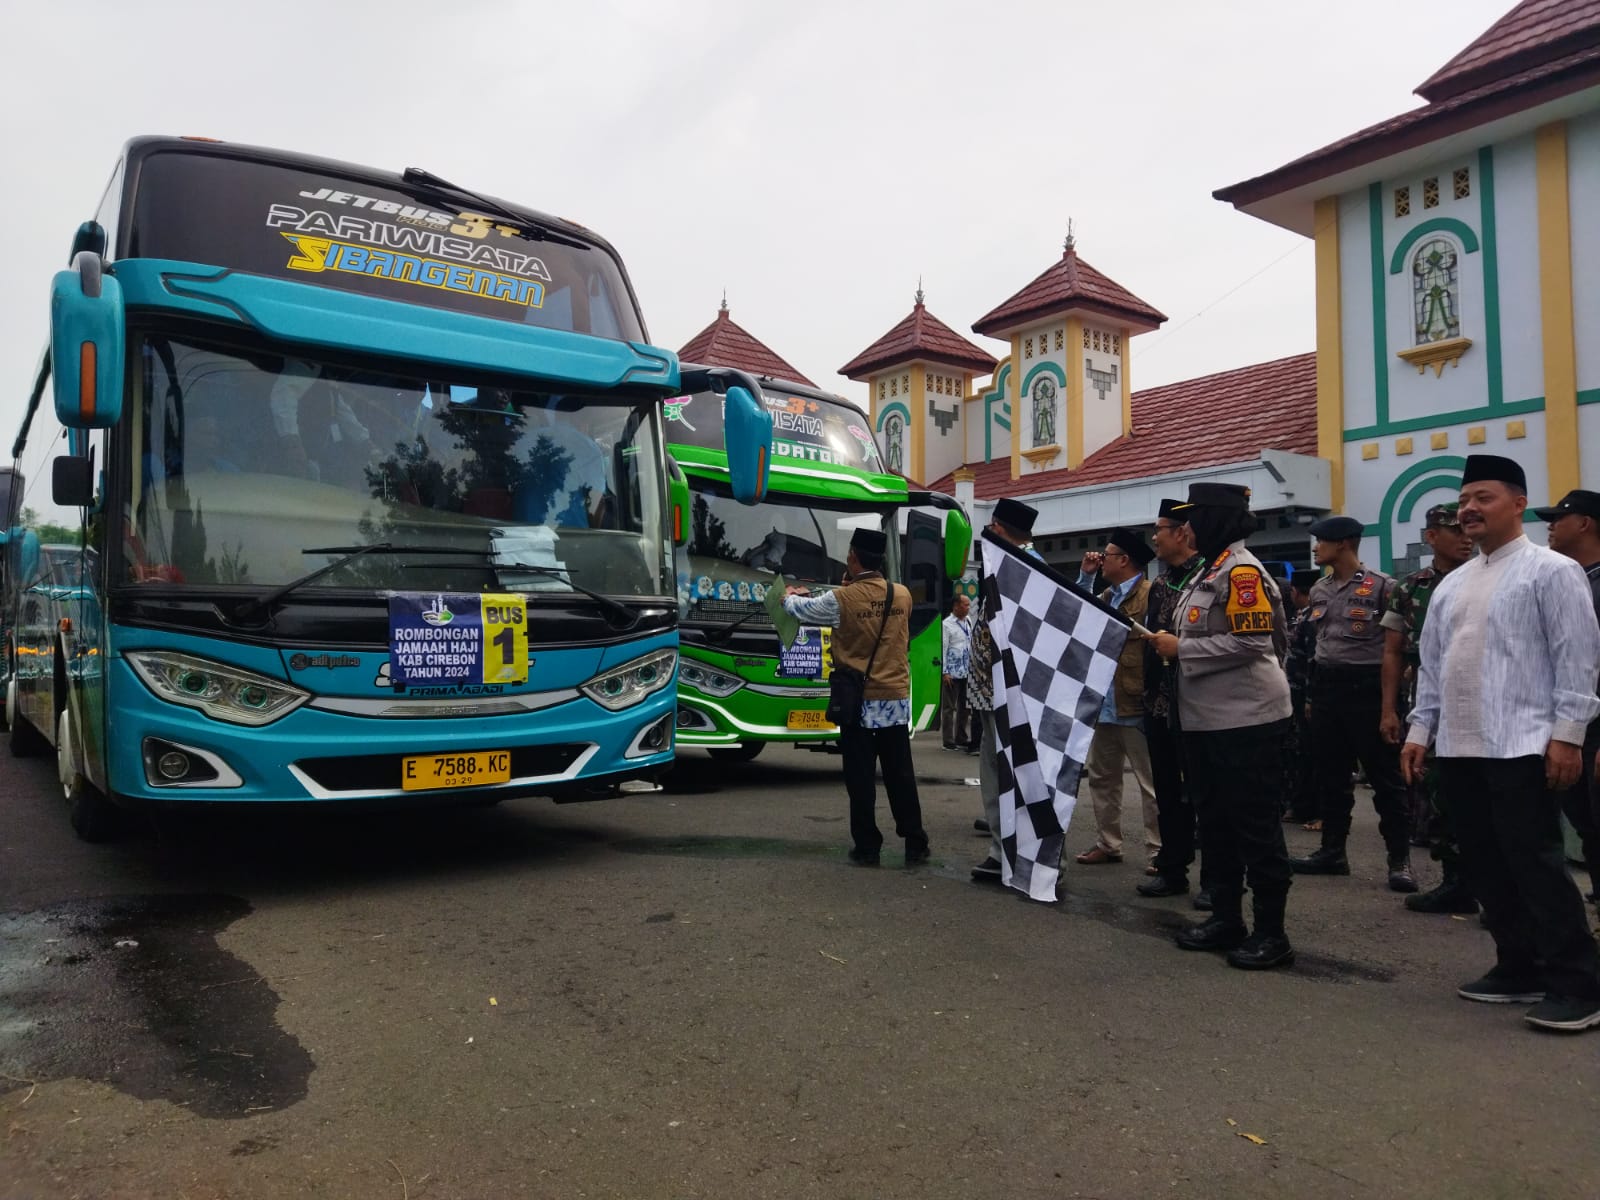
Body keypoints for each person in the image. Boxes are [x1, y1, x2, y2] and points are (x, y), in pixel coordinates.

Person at [1402, 454, 1600, 1033]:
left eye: (1483, 498)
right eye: (1464, 500)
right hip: (1461, 746)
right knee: (1486, 863)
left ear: (1517, 504)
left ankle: (1579, 984)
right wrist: (1421, 731)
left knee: (1535, 862)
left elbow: (1577, 659)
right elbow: (1433, 667)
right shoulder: (1453, 583)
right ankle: (1518, 966)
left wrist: (1569, 737)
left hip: (1525, 742)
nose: (1469, 509)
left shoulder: (1550, 571)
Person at [1149, 482, 1295, 970]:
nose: (1186, 528)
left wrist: (1181, 649)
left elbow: (1252, 645)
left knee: (1255, 827)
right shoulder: (1209, 571)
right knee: (1215, 825)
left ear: (1218, 521)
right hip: (1206, 722)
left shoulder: (1242, 573)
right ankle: (1227, 919)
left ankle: (1271, 934)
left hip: (1246, 721)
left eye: (1195, 518)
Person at [782, 528, 928, 867]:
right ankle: (915, 840)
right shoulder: (903, 594)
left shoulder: (840, 599)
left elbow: (801, 610)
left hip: (858, 702)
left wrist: (786, 597)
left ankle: (867, 846)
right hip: (894, 699)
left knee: (860, 777)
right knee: (900, 774)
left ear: (852, 558)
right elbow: (878, 607)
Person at [1289, 516, 1416, 892]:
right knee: (1331, 775)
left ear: (1344, 543)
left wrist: (1389, 707)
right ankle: (1332, 852)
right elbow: (1316, 645)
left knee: (1384, 779)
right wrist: (1312, 696)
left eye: (1321, 541)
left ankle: (1399, 860)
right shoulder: (1320, 590)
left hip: (1368, 689)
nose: (1315, 547)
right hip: (1327, 688)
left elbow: (1398, 648)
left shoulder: (1382, 587)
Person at [1379, 503, 1478, 914]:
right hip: (1429, 699)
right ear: (1432, 536)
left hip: (1480, 697)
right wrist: (1389, 709)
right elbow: (1392, 652)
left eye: (1466, 529)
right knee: (1440, 793)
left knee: (1490, 797)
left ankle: (1498, 892)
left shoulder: (1486, 577)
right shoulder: (1411, 587)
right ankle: (1456, 881)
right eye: (1454, 530)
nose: (1465, 537)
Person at [1075, 529, 1161, 869]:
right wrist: (1086, 576)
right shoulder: (1108, 594)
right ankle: (1108, 844)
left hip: (1136, 703)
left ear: (1124, 560)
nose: (1101, 558)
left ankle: (1158, 850)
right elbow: (1081, 614)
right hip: (1105, 703)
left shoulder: (1151, 594)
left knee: (1151, 783)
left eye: (1107, 555)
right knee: (1102, 778)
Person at [1534, 488, 1600, 910]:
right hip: (1567, 723)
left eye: (1561, 516)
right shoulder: (1565, 578)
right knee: (1584, 823)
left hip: (1596, 726)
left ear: (1586, 523)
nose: (1551, 525)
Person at [1137, 501, 1207, 901]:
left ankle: (1218, 882)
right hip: (1160, 705)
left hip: (1200, 705)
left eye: (1160, 529)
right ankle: (1173, 868)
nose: (1155, 537)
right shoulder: (1161, 585)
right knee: (1166, 790)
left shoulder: (1209, 579)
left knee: (1206, 796)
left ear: (1181, 532)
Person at [968, 497, 1038, 883]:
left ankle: (1034, 855)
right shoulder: (1001, 567)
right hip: (989, 693)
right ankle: (1001, 850)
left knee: (1023, 776)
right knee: (995, 773)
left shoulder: (1029, 571)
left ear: (997, 528)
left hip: (1015, 696)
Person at [1283, 569, 1321, 826]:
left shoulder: (1312, 620)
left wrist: (1309, 698)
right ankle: (1301, 805)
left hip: (1308, 696)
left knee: (1314, 754)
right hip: (1295, 695)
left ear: (1296, 592)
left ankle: (1317, 810)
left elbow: (1312, 661)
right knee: (1300, 753)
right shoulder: (1302, 617)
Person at [940, 594, 978, 751]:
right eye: (965, 605)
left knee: (965, 707)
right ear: (956, 606)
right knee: (949, 708)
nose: (968, 608)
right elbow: (943, 648)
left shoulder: (968, 621)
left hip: (966, 671)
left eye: (969, 605)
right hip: (952, 672)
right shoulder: (946, 624)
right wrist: (945, 672)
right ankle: (948, 741)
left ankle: (961, 738)